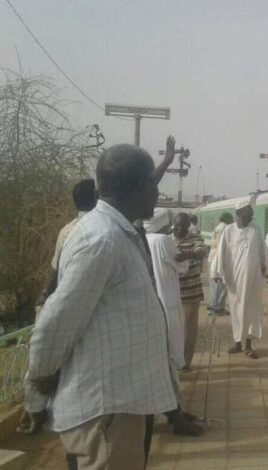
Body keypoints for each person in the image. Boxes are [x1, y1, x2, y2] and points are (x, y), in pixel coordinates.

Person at [24, 143, 177, 468]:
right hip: (105, 413)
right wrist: (36, 393)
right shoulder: (102, 240)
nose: (157, 192)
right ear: (141, 185)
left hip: (119, 404)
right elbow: (54, 325)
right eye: (154, 182)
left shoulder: (117, 233)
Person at [143, 210, 204, 437]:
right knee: (167, 363)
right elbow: (180, 264)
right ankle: (175, 416)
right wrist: (191, 253)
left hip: (152, 305)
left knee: (161, 363)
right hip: (166, 304)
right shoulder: (162, 240)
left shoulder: (143, 238)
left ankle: (174, 411)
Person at [216, 194, 268, 359]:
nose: (251, 215)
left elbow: (263, 251)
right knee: (236, 311)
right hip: (235, 279)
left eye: (251, 212)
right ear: (239, 214)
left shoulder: (256, 230)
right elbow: (221, 252)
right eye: (248, 212)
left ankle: (249, 345)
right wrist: (218, 273)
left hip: (254, 279)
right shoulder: (229, 230)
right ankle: (237, 343)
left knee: (252, 311)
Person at [40, 179, 98, 301]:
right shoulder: (108, 227)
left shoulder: (66, 231)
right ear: (96, 196)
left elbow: (55, 270)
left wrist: (45, 296)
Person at [172, 212, 209, 373]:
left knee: (188, 328)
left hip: (191, 292)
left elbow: (202, 252)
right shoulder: (167, 239)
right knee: (174, 328)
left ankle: (186, 362)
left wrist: (187, 255)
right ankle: (174, 360)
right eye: (176, 226)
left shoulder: (195, 239)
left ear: (188, 226)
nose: (178, 229)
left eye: (182, 226)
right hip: (172, 292)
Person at [208, 212, 234, 315]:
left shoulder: (217, 227)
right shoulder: (225, 228)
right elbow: (223, 245)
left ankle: (215, 307)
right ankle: (217, 308)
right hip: (218, 259)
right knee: (221, 284)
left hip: (212, 257)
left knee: (214, 285)